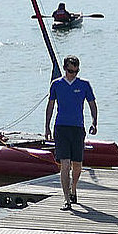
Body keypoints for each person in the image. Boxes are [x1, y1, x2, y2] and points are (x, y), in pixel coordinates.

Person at [43, 55, 99, 207]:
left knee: (77, 165)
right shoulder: (56, 84)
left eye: (75, 71)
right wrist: (47, 126)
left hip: (78, 128)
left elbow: (92, 104)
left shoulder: (84, 85)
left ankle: (73, 188)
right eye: (70, 71)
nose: (72, 74)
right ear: (64, 69)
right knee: (65, 164)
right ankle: (66, 199)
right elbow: (50, 106)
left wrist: (94, 122)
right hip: (61, 127)